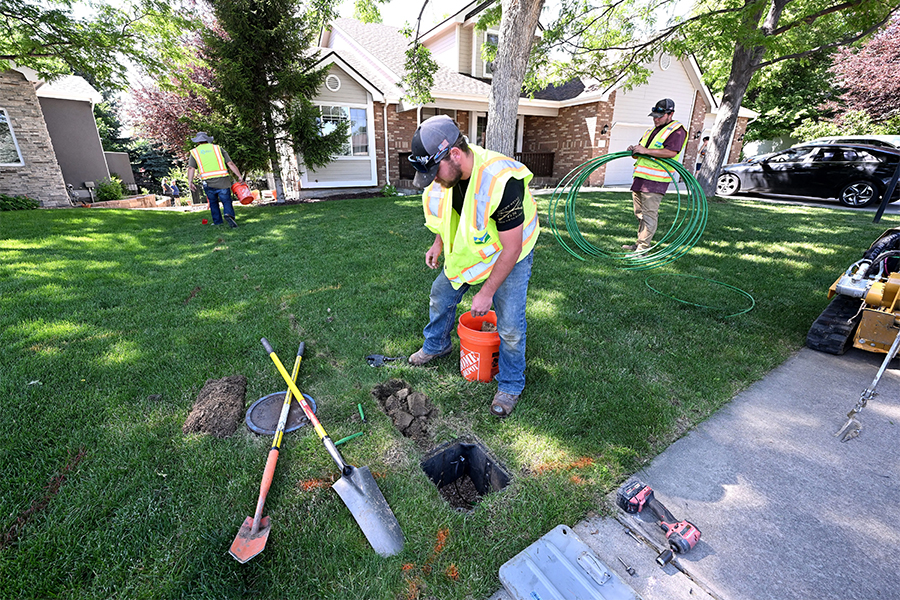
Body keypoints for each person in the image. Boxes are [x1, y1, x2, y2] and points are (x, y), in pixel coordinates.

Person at [406, 115, 540, 418]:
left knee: (509, 327)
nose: (433, 179)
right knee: (441, 293)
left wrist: (487, 292)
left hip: (510, 255)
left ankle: (510, 384)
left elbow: (512, 247)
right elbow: (444, 214)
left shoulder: (500, 181)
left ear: (454, 154)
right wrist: (439, 242)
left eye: (433, 170)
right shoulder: (446, 176)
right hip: (472, 252)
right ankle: (437, 345)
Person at [624, 98, 688, 252]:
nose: (656, 119)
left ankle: (643, 249)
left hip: (656, 180)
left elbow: (671, 152)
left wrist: (645, 151)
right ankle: (640, 243)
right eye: (654, 116)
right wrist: (635, 150)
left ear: (670, 114)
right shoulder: (651, 130)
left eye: (659, 116)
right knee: (639, 214)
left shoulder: (677, 131)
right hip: (640, 179)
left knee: (649, 214)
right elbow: (642, 152)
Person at [185, 132, 243, 227]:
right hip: (223, 180)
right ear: (207, 140)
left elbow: (191, 168)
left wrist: (190, 182)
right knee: (226, 200)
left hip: (208, 182)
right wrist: (239, 176)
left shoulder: (195, 152)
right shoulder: (218, 148)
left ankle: (217, 222)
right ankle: (229, 215)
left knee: (213, 202)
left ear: (198, 142)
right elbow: (230, 163)